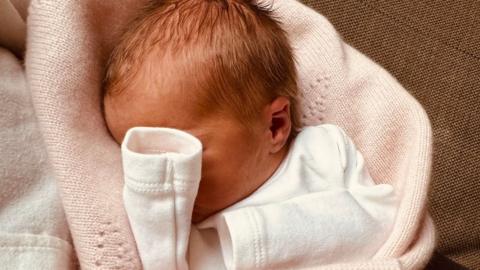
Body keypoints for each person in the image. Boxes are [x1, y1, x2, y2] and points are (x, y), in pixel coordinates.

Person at [102, 0, 397, 269]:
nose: (166, 176)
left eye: (187, 150)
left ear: (274, 126)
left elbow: (382, 223)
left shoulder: (321, 155)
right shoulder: (174, 229)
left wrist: (250, 237)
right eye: (137, 157)